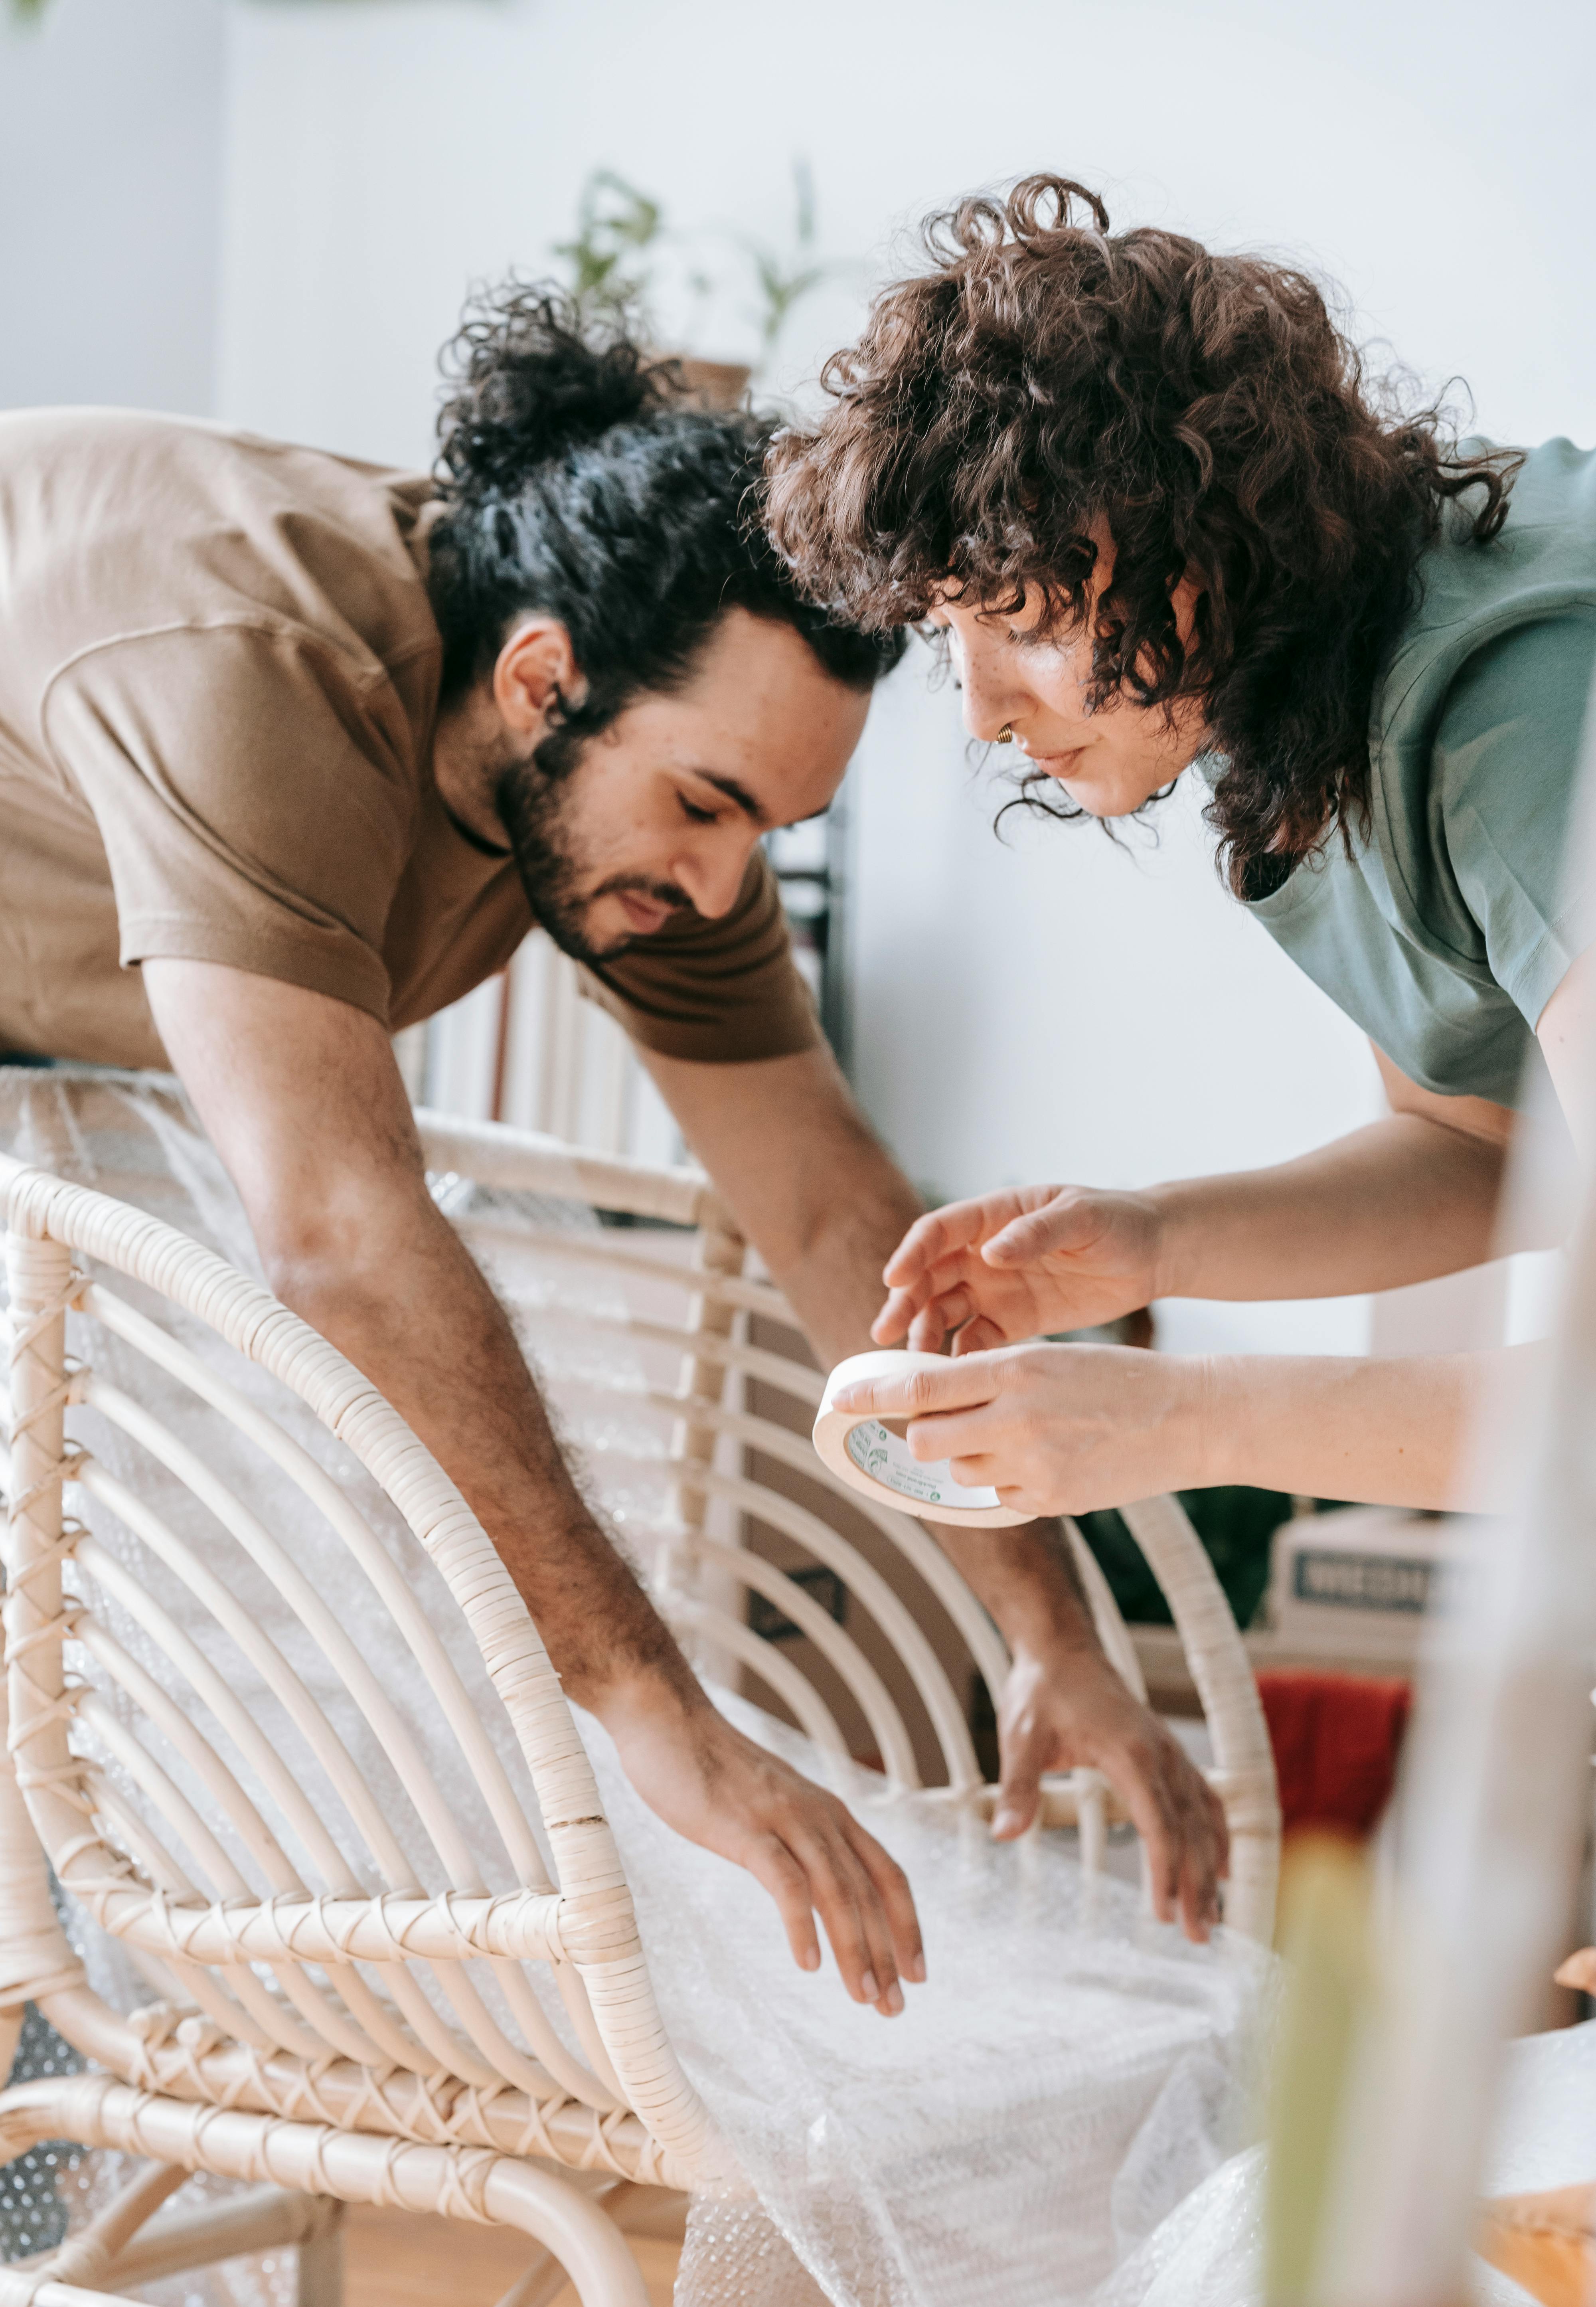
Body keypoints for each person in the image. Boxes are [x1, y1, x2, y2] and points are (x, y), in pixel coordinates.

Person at [0, 286, 1227, 2005]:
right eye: (711, 809)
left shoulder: (632, 780)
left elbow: (829, 1210)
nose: (725, 891)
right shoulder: (261, 674)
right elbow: (339, 1238)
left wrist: (1049, 1640)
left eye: (772, 830)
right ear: (538, 681)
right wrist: (664, 1720)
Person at [762, 175, 1596, 1524]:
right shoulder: (1312, 716)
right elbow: (1482, 1143)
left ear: (1192, 537)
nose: (980, 709)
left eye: (1020, 613)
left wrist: (1174, 1420)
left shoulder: (1517, 721)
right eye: (947, 631)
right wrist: (1153, 1242)